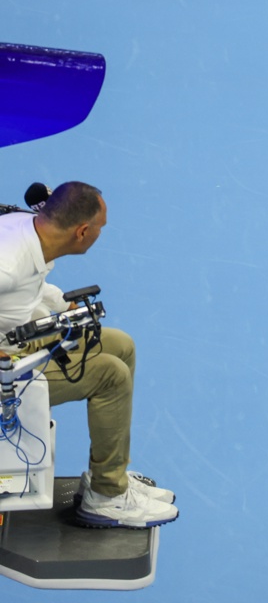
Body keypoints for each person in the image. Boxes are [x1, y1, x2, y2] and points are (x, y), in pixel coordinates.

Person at [0, 182, 178, 528]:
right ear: (82, 232)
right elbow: (13, 276)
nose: (100, 234)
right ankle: (107, 498)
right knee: (109, 374)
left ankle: (108, 476)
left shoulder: (30, 228)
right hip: (6, 368)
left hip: (19, 338)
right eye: (100, 228)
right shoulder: (8, 265)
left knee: (119, 345)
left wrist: (62, 306)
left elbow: (31, 284)